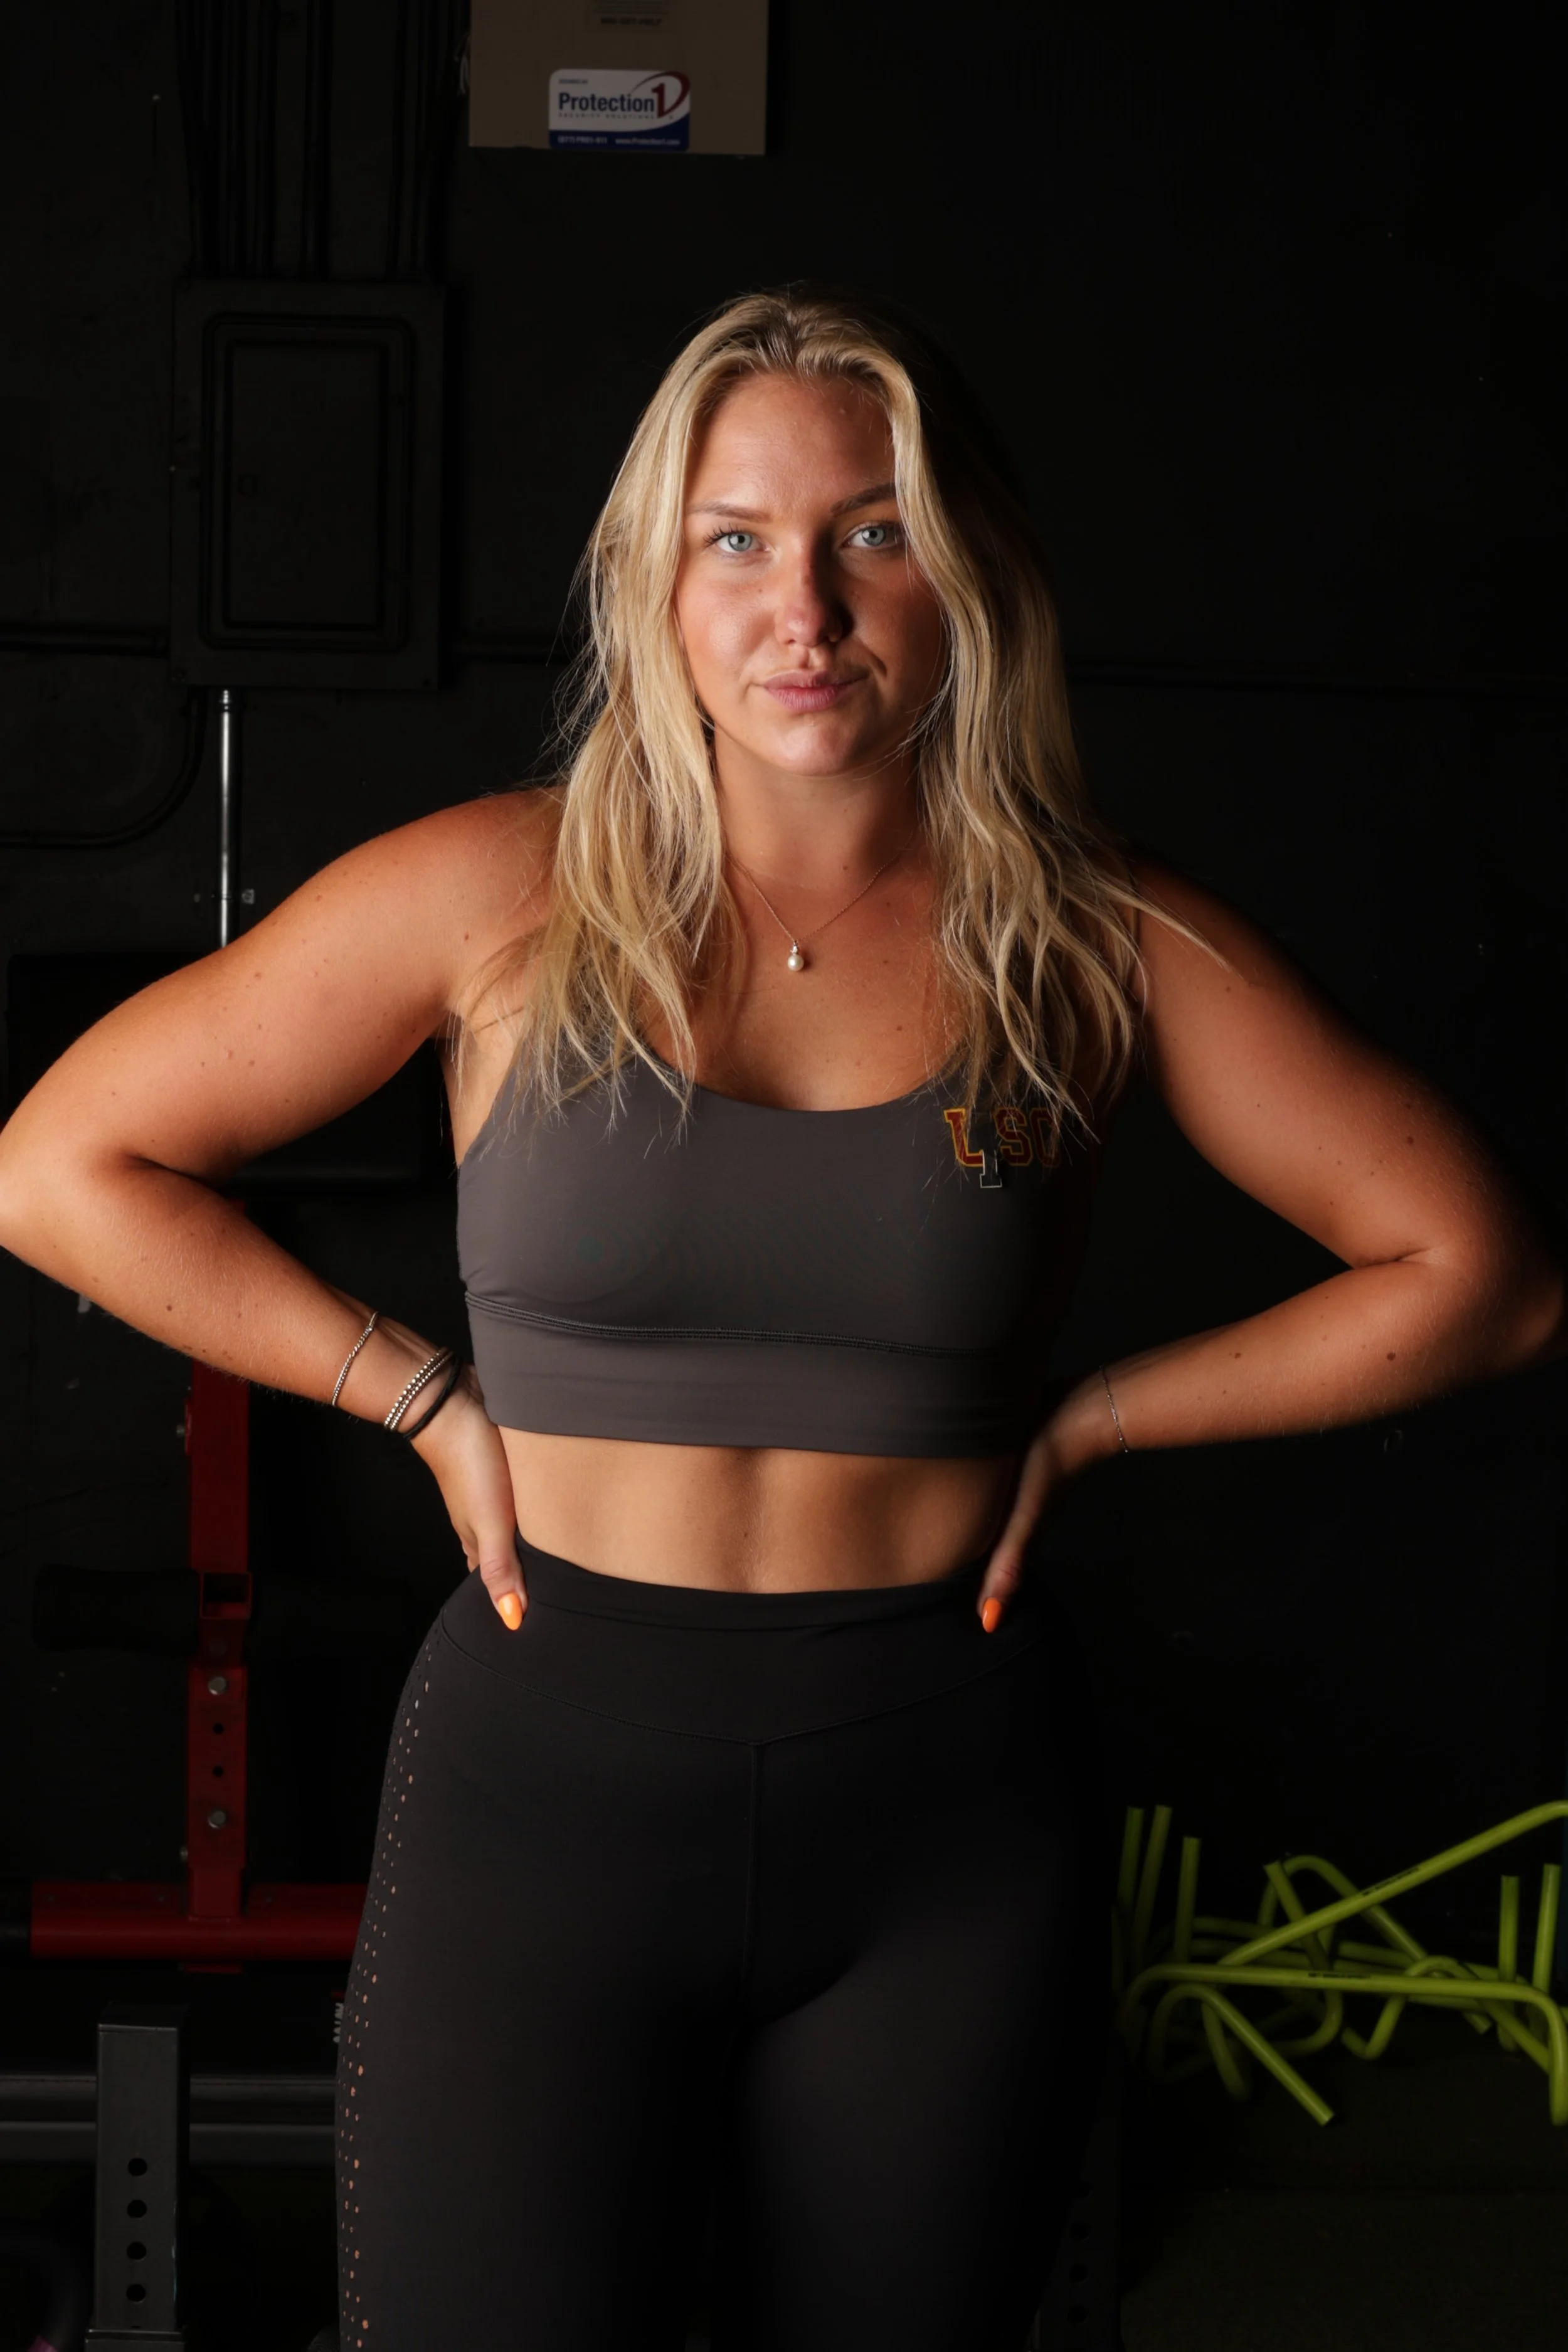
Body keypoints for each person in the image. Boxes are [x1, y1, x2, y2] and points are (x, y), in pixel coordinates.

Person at [0, 289, 1559, 2351]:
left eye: (872, 530)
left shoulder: (1088, 936)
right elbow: (53, 1167)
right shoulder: (500, 893)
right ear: (653, 582)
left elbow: (1481, 1271)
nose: (799, 604)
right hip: (538, 1798)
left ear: (966, 569)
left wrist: (1090, 1423)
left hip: (938, 1825)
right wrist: (417, 1398)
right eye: (734, 538)